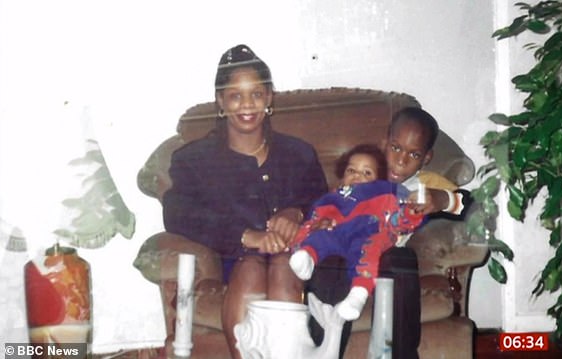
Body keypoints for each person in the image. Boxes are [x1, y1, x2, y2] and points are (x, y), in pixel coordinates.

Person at [162, 44, 328, 358]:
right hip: (232, 258)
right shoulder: (193, 159)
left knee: (283, 266)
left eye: (256, 94)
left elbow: (326, 204)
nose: (246, 104)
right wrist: (245, 236)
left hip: (297, 261)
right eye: (235, 95)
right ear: (221, 102)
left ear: (269, 98)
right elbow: (177, 212)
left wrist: (297, 212)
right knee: (250, 267)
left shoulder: (299, 153)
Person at [308, 107, 472, 359]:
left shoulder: (423, 185)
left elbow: (468, 205)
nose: (401, 161)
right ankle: (324, 349)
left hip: (386, 263)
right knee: (331, 261)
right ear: (384, 143)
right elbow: (326, 205)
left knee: (401, 258)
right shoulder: (364, 173)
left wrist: (440, 199)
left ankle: (403, 354)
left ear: (426, 158)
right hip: (348, 261)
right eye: (396, 148)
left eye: (413, 154)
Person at [289, 144, 431, 321]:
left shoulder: (385, 193)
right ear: (342, 176)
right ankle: (307, 257)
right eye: (351, 170)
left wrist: (411, 212)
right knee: (320, 237)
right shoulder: (332, 198)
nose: (358, 176)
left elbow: (400, 220)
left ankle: (358, 293)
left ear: (379, 180)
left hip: (367, 231)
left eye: (367, 173)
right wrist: (315, 226)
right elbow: (312, 221)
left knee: (367, 251)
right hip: (336, 233)